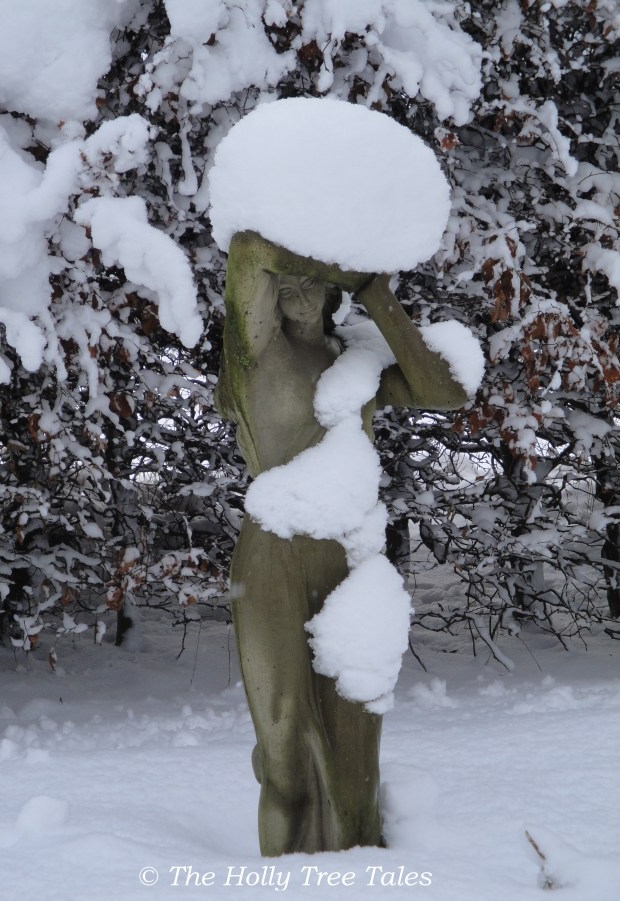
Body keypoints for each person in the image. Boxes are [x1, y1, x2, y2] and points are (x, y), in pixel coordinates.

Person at [215, 230, 468, 856]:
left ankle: (354, 869)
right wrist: (338, 257)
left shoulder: (354, 361)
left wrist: (379, 297)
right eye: (290, 284)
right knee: (283, 749)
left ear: (334, 296)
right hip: (275, 548)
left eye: (316, 286)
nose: (300, 293)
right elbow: (249, 252)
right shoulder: (256, 353)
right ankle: (280, 879)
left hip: (350, 559)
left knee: (355, 761)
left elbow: (448, 390)